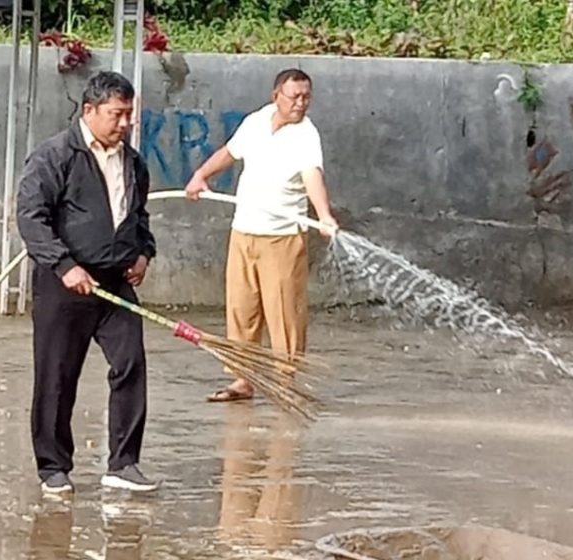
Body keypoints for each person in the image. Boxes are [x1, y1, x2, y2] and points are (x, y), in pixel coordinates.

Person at [17, 71, 159, 495]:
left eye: (129, 115)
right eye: (117, 114)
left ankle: (124, 463)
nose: (125, 124)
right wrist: (64, 266)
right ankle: (53, 467)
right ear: (89, 110)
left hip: (115, 284)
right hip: (66, 285)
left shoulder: (133, 162)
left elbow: (139, 215)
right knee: (57, 375)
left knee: (131, 365)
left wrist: (144, 252)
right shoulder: (55, 156)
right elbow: (31, 217)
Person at [184, 68, 339, 402]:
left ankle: (287, 380)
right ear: (276, 97)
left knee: (284, 311)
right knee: (242, 309)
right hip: (244, 230)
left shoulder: (306, 135)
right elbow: (230, 152)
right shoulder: (257, 121)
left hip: (281, 236)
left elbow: (313, 176)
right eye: (294, 96)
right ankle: (243, 379)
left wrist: (324, 216)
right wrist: (201, 175)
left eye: (306, 97)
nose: (300, 103)